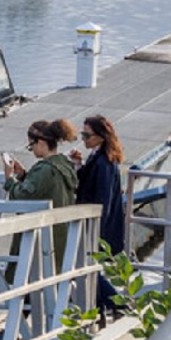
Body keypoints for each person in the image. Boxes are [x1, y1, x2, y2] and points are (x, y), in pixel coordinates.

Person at [3, 119, 79, 273]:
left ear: (41, 143)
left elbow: (21, 197)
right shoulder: (65, 164)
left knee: (33, 283)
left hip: (44, 244)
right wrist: (24, 175)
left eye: (31, 146)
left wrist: (10, 179)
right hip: (62, 237)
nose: (31, 150)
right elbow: (42, 189)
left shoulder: (45, 170)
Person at [71, 114, 126, 312]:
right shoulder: (100, 157)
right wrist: (79, 165)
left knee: (89, 269)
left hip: (97, 227)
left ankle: (118, 305)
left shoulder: (103, 163)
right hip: (96, 226)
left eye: (87, 135)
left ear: (101, 137)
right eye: (82, 135)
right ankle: (106, 306)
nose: (84, 139)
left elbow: (101, 200)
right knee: (90, 269)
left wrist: (95, 234)